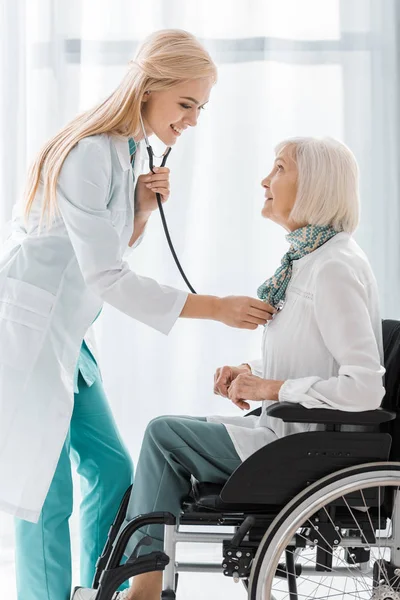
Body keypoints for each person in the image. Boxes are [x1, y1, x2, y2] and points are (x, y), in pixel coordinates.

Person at [0, 29, 275, 600]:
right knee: (43, 491)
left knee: (111, 469)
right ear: (149, 88)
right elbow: (106, 276)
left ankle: (101, 588)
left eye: (200, 108)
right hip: (31, 337)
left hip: (69, 338)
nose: (193, 120)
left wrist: (143, 211)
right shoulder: (89, 151)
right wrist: (215, 309)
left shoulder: (123, 151)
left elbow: (103, 250)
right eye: (186, 104)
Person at [90, 136, 385, 600]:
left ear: (315, 184)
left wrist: (269, 387)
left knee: (164, 434)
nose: (265, 180)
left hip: (305, 450)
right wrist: (250, 369)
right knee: (168, 440)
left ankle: (144, 587)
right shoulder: (310, 260)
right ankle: (146, 581)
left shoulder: (334, 267)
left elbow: (365, 389)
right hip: (288, 433)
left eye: (280, 169)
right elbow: (313, 355)